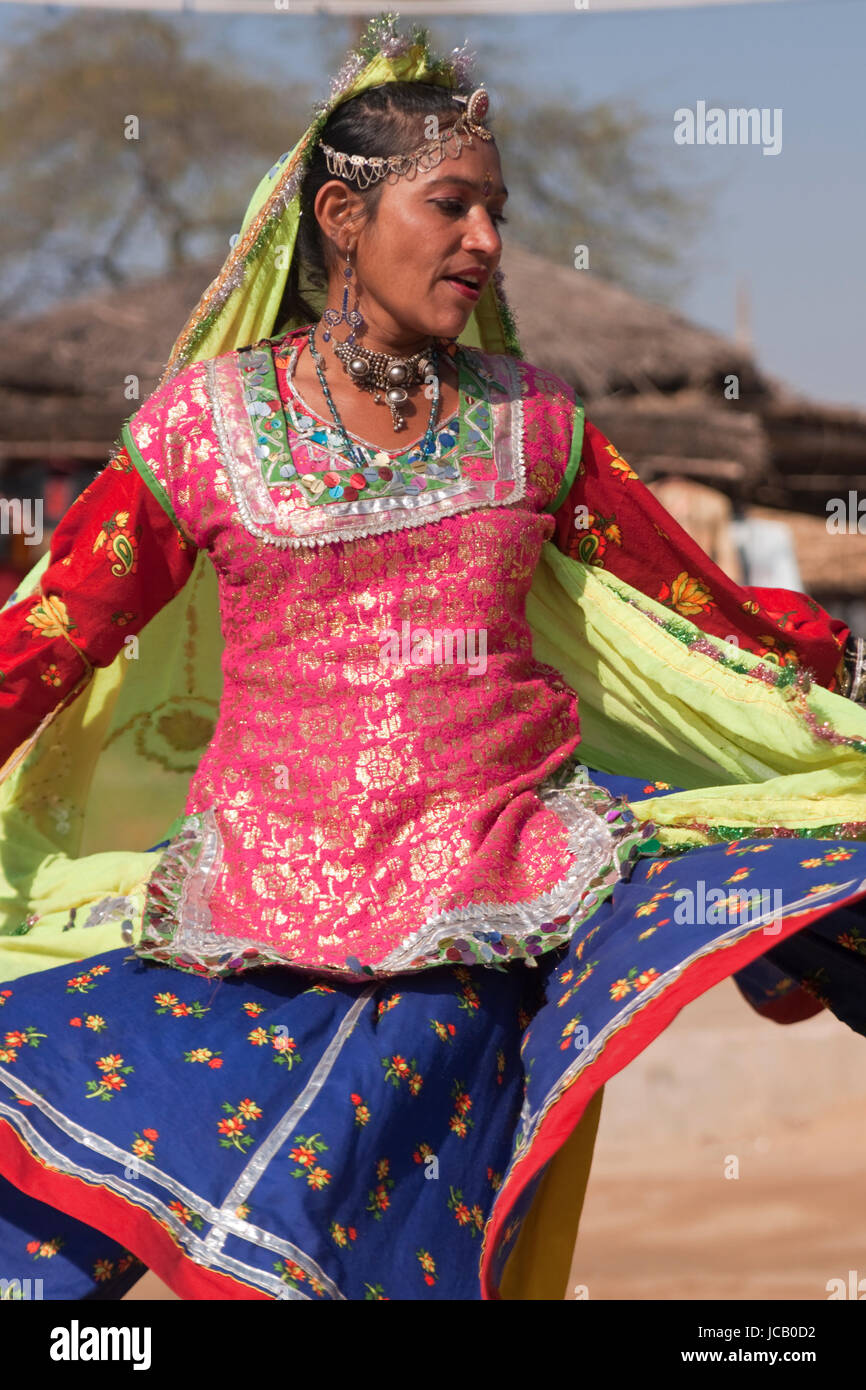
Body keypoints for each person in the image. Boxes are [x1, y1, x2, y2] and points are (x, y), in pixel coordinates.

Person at [0, 14, 864, 1303]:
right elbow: (50, 639)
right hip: (255, 930)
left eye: (498, 212)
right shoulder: (206, 427)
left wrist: (828, 683)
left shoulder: (536, 426)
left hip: (494, 910)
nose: (487, 243)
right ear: (341, 217)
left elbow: (694, 608)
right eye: (451, 205)